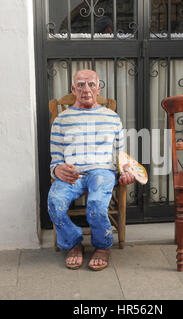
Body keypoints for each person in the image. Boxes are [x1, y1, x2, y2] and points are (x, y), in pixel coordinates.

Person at [47, 69, 135, 271]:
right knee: (54, 202)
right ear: (73, 89)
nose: (86, 90)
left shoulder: (112, 117)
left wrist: (125, 172)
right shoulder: (61, 119)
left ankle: (103, 247)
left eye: (91, 84)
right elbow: (56, 157)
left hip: (102, 172)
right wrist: (57, 170)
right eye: (80, 85)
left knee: (95, 204)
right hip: (72, 173)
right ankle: (73, 243)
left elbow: (121, 155)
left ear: (98, 88)